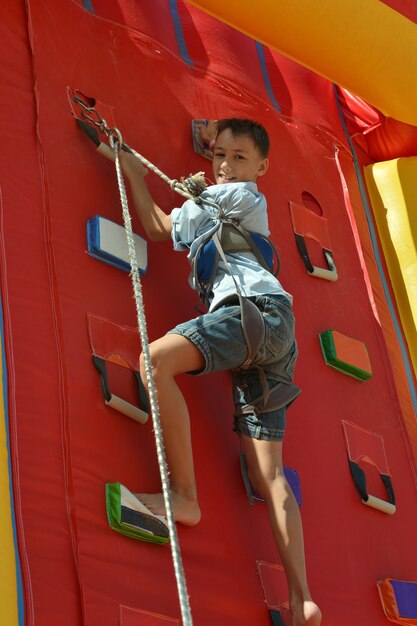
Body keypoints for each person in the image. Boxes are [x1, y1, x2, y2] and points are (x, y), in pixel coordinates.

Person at [101, 118, 321, 626]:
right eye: (219, 155)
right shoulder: (223, 196)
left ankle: (184, 496)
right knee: (269, 474)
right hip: (272, 332)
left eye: (239, 157)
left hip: (253, 315)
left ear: (261, 168)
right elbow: (164, 223)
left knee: (154, 361)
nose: (225, 165)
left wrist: (148, 174)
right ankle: (301, 598)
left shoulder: (241, 196)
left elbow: (165, 226)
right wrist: (139, 170)